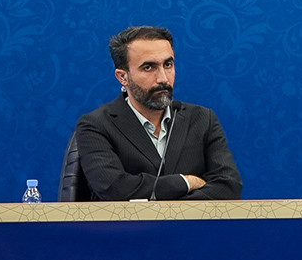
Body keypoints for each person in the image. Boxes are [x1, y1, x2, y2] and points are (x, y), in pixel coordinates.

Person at [74, 25, 243, 200]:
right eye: (148, 67)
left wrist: (173, 210)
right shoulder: (97, 125)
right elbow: (115, 188)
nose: (163, 78)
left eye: (168, 65)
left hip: (190, 220)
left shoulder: (202, 119)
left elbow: (229, 186)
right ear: (123, 77)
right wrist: (185, 182)